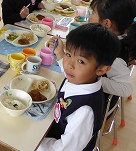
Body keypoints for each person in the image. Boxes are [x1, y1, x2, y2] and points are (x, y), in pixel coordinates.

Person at [38, 23, 119, 151]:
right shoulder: (83, 78)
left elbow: (64, 149)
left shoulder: (84, 111)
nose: (69, 65)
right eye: (69, 54)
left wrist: (38, 143)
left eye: (81, 61)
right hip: (56, 128)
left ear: (101, 69)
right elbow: (68, 71)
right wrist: (60, 53)